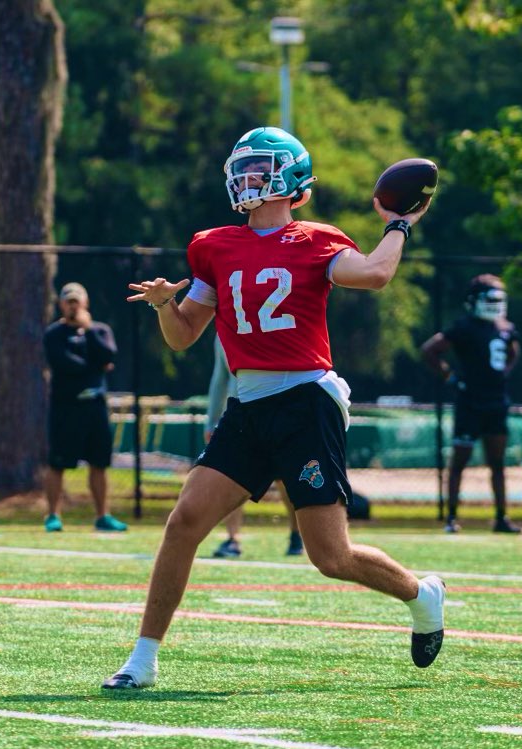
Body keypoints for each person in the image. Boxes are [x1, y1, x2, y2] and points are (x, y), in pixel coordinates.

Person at [102, 126, 444, 689]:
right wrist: (166, 304)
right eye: (242, 167)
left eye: (260, 168)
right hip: (249, 401)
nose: (246, 177)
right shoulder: (212, 245)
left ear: (291, 180)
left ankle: (421, 593)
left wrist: (398, 226)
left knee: (330, 557)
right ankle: (141, 660)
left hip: (306, 398)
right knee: (184, 520)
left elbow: (377, 275)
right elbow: (184, 335)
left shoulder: (316, 239)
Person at [420, 274, 522, 534]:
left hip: (496, 403)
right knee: (460, 462)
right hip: (470, 403)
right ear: (475, 301)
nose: (495, 303)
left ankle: (501, 517)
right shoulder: (464, 327)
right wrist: (451, 378)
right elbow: (430, 350)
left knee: (497, 463)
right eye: (490, 297)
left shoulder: (506, 328)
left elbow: (513, 352)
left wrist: (502, 374)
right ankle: (451, 517)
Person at [206, 333, 304, 557]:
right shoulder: (222, 332)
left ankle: (296, 533)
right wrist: (211, 421)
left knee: (284, 480)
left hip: (274, 411)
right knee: (232, 476)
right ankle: (232, 539)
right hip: (238, 415)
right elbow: (219, 377)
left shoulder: (262, 326)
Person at [42, 282, 128, 533]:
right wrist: (95, 365)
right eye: (68, 301)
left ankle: (103, 516)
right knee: (57, 463)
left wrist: (88, 328)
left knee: (99, 463)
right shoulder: (54, 334)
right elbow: (67, 364)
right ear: (61, 304)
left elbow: (108, 355)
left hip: (95, 407)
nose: (72, 305)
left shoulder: (99, 330)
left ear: (85, 303)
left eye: (76, 300)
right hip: (65, 407)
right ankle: (52, 515)